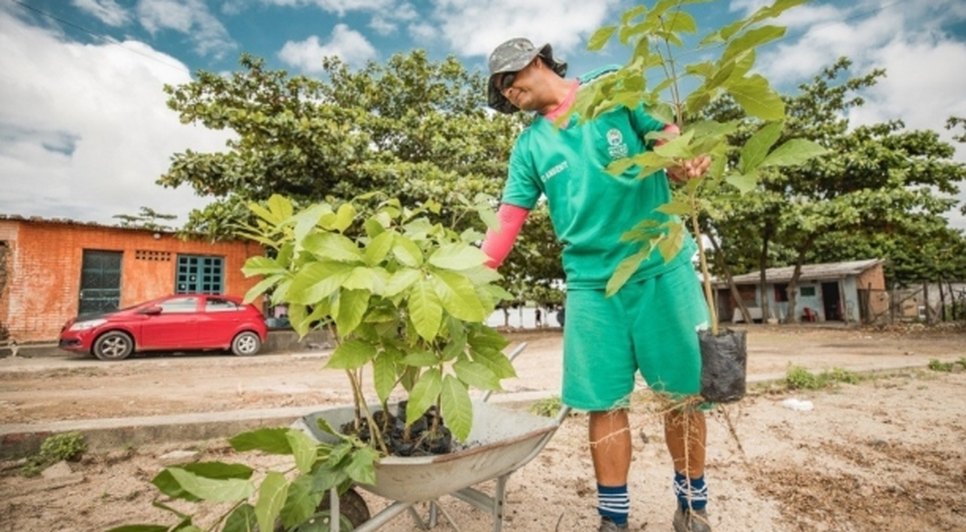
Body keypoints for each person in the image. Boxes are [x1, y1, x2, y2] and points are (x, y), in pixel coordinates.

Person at [480, 38, 713, 532]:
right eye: (501, 92)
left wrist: (680, 157)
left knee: (684, 397)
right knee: (603, 403)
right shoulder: (530, 146)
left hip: (661, 267)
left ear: (535, 61)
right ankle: (613, 519)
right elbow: (507, 219)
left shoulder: (614, 89)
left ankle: (692, 507)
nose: (507, 94)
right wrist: (472, 274)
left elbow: (665, 136)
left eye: (508, 80)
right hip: (590, 287)